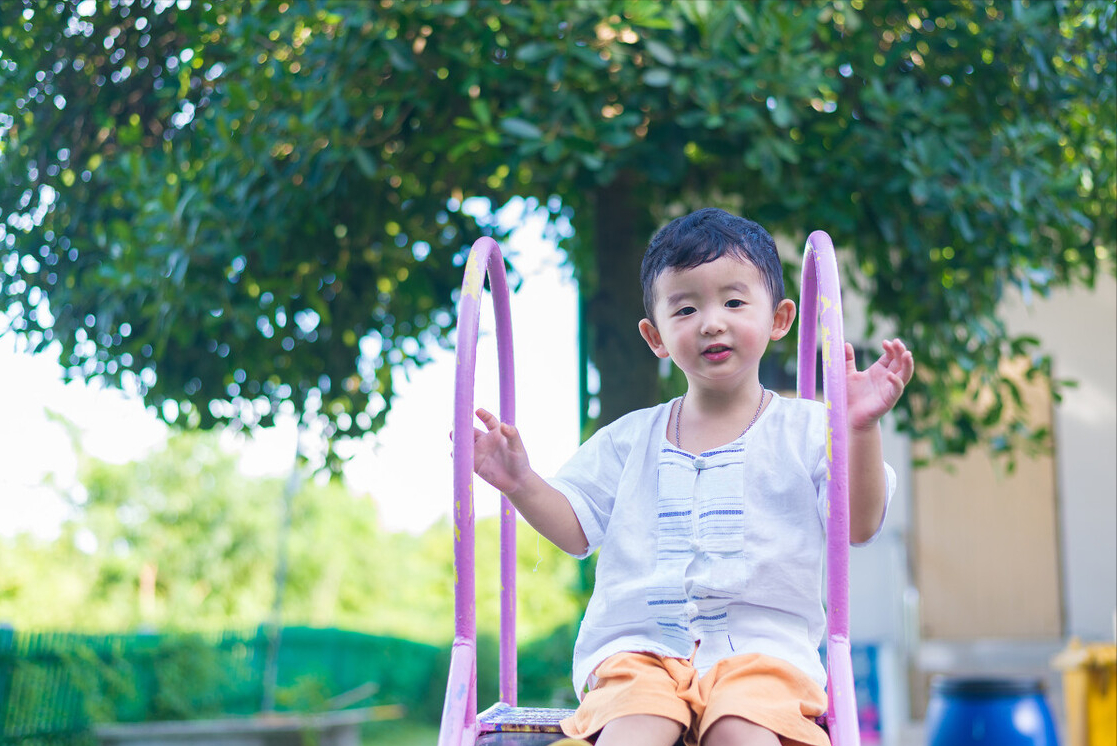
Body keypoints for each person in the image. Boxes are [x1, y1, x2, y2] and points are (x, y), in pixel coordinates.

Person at [471, 207, 914, 746]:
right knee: (634, 728)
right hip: (638, 653)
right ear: (655, 336)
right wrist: (521, 482)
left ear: (779, 319)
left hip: (763, 657)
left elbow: (859, 525)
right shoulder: (630, 437)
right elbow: (576, 528)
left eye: (733, 301)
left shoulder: (807, 429)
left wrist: (859, 430)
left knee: (741, 730)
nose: (711, 322)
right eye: (685, 308)